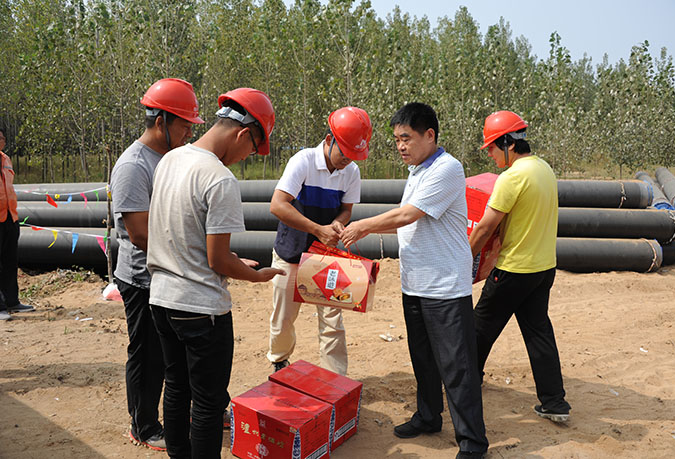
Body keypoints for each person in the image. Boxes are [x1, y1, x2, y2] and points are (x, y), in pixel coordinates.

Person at [341, 103, 488, 458]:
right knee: (422, 358)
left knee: (457, 367)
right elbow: (407, 219)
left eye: (406, 138)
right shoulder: (416, 171)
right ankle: (428, 415)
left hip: (445, 287)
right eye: (396, 140)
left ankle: (472, 442)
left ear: (430, 135)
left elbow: (408, 214)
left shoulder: (448, 168)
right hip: (417, 283)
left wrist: (361, 225)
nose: (401, 146)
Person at [146, 87, 285, 459]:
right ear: (243, 134)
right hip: (201, 310)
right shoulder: (219, 179)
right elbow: (218, 261)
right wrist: (254, 276)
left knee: (175, 388)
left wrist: (227, 257)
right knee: (207, 404)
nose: (245, 158)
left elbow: (179, 233)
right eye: (251, 150)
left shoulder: (170, 161)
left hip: (161, 299)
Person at [110, 78, 204, 451]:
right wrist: (194, 253)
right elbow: (139, 234)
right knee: (147, 353)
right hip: (141, 276)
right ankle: (144, 424)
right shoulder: (134, 166)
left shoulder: (170, 156)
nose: (187, 132)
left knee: (172, 354)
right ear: (161, 120)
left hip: (167, 271)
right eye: (183, 124)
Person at [469, 110, 571, 423]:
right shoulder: (544, 169)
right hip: (543, 269)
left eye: (491, 147)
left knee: (480, 326)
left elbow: (485, 228)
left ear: (508, 143)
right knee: (539, 331)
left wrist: (463, 261)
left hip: (514, 269)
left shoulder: (511, 178)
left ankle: (465, 384)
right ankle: (555, 402)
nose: (489, 154)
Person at [267, 106, 372, 376]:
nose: (347, 161)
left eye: (353, 156)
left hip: (325, 256)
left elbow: (347, 209)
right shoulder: (302, 161)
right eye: (344, 153)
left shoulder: (351, 172)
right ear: (328, 140)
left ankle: (336, 378)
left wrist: (338, 222)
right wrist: (317, 229)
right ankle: (279, 361)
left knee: (332, 318)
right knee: (284, 318)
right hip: (291, 252)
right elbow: (278, 205)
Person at [0, 126, 35, 322]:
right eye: (0, 137)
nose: (2, 140)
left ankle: (12, 301)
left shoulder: (6, 159)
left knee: (10, 262)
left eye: (3, 137)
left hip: (10, 218)